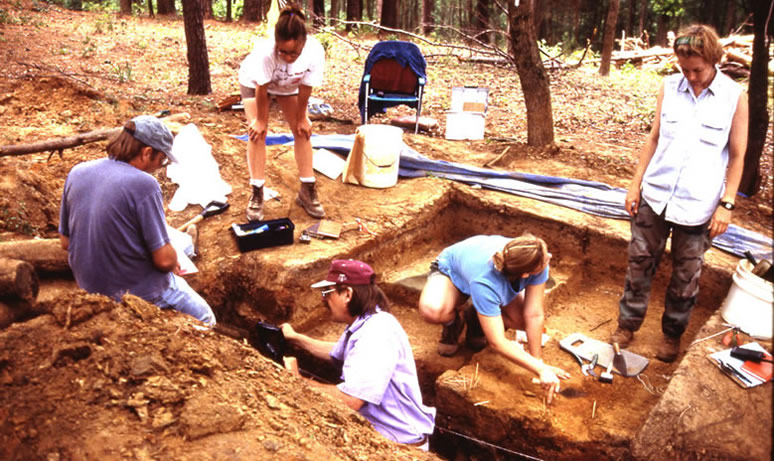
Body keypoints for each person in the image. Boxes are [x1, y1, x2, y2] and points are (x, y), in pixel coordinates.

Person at [611, 24, 748, 362]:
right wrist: (635, 183)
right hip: (656, 197)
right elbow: (655, 138)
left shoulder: (734, 97)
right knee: (639, 264)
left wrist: (726, 204)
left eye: (697, 69)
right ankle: (627, 325)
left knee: (686, 276)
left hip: (699, 206)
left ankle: (672, 334)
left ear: (713, 59)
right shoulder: (670, 87)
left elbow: (737, 154)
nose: (691, 76)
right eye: (684, 69)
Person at [58, 115, 216, 327]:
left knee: (180, 242)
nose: (159, 166)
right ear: (147, 152)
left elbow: (66, 243)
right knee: (206, 317)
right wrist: (169, 259)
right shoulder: (144, 184)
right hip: (136, 290)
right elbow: (164, 262)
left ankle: (186, 245)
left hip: (88, 286)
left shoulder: (78, 171)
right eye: (161, 160)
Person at [281, 259, 436, 450]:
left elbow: (351, 400)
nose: (324, 299)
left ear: (347, 294)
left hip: (398, 446)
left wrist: (296, 381)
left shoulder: (377, 333)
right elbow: (336, 352)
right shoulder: (367, 322)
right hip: (382, 436)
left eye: (327, 292)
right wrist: (295, 338)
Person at [418, 234, 570, 404]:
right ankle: (453, 323)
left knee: (522, 321)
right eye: (545, 257)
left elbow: (534, 314)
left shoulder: (537, 259)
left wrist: (538, 364)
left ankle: (476, 319)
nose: (549, 257)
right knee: (432, 310)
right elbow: (497, 342)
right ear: (526, 274)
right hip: (453, 271)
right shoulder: (486, 281)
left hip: (486, 278)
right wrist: (541, 369)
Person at [238, 3, 326, 221]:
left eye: (293, 52)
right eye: (283, 51)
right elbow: (262, 88)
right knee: (257, 133)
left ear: (304, 44)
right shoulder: (265, 54)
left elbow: (306, 87)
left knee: (302, 130)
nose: (287, 57)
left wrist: (301, 117)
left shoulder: (314, 52)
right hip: (255, 83)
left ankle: (307, 189)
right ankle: (257, 192)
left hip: (289, 85)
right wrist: (260, 120)